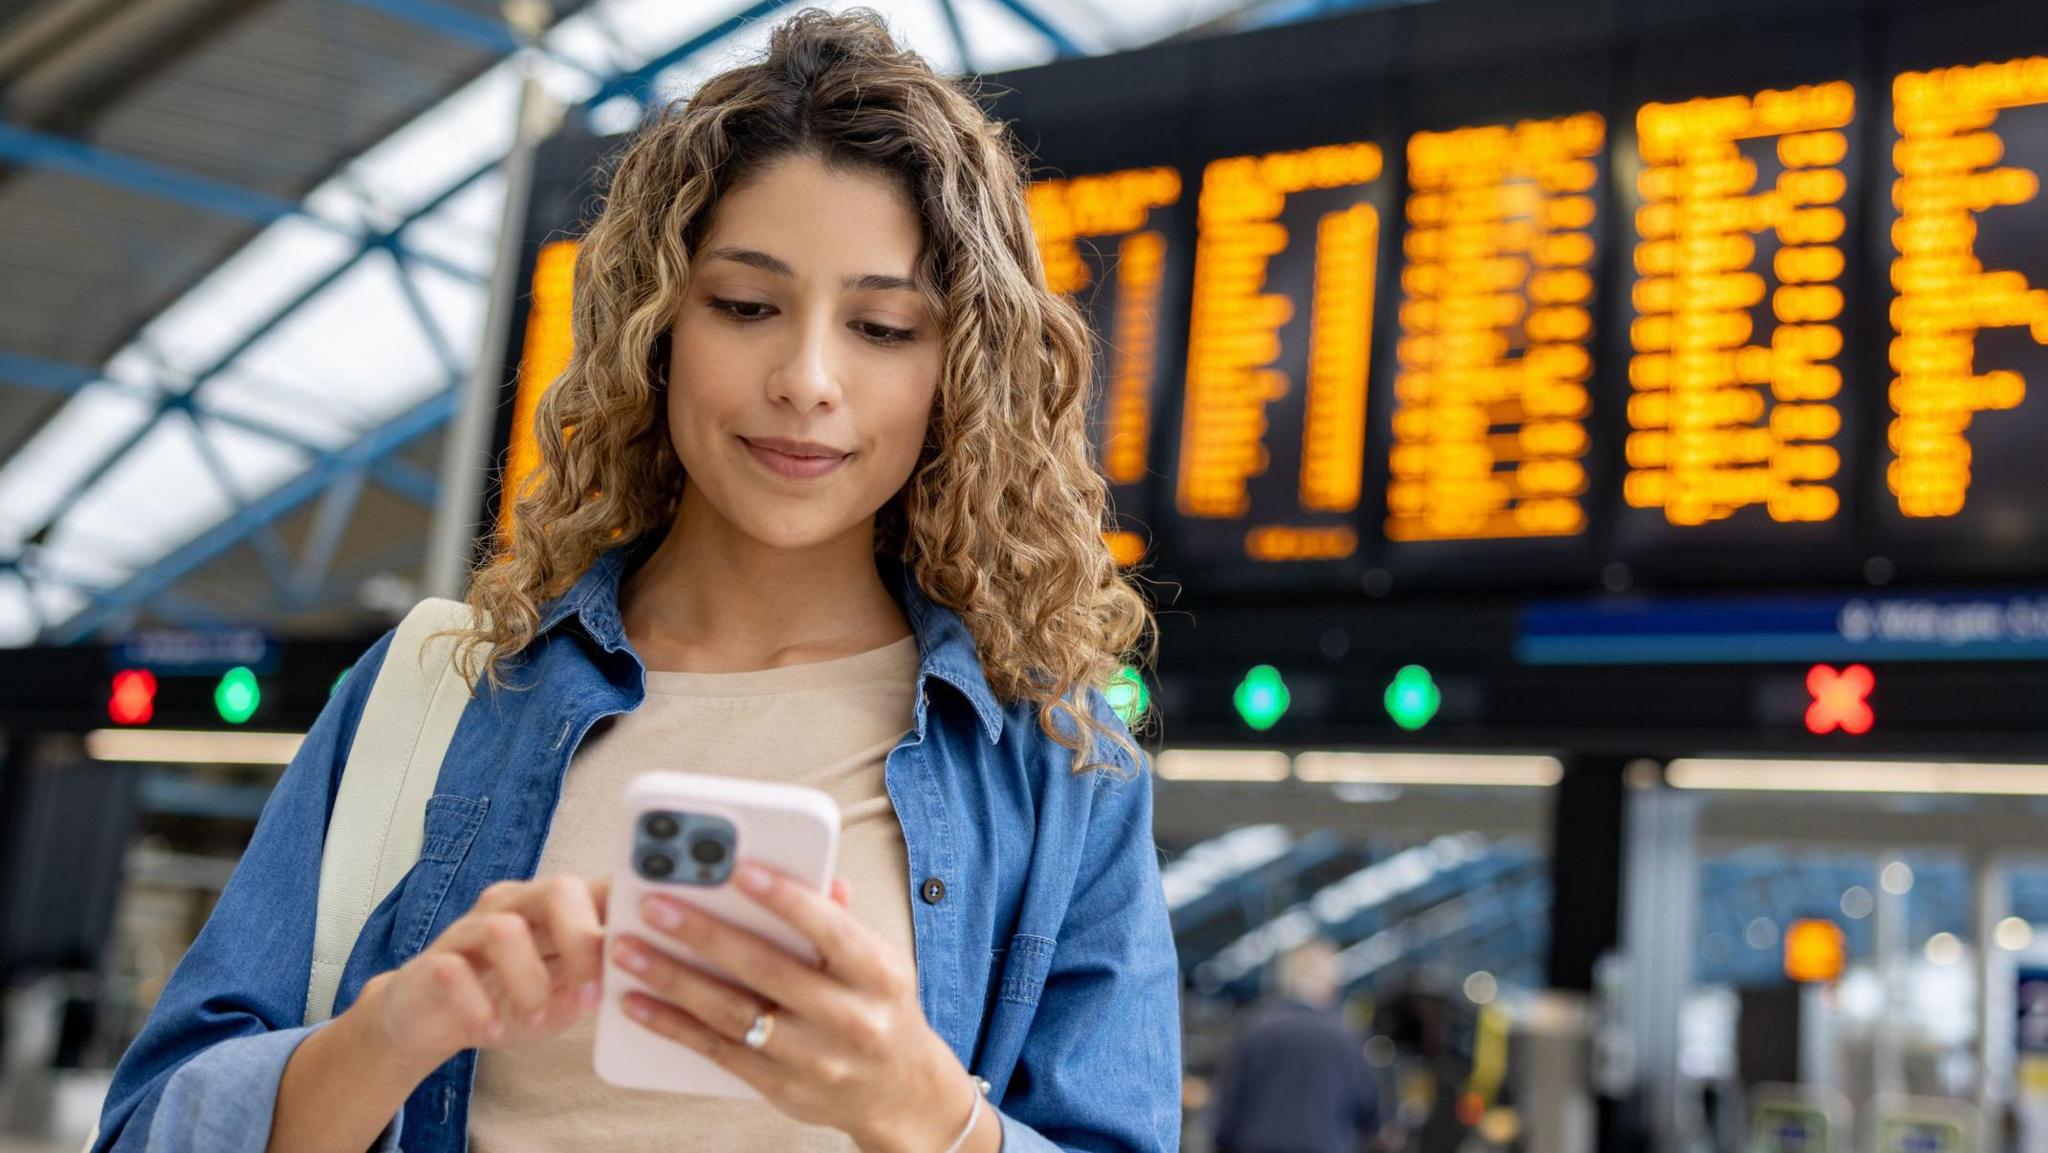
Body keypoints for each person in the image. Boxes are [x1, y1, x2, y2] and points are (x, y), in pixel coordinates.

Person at [90, 9, 1179, 1152]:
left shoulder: (1059, 770)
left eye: (881, 326)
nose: (807, 379)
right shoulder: (437, 692)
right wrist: (394, 1029)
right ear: (657, 330)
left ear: (957, 370)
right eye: (746, 306)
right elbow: (147, 1128)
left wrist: (927, 1115)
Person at [1211, 938, 1379, 1153]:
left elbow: (1228, 1102)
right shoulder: (1346, 1037)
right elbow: (1368, 1110)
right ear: (1331, 985)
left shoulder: (1255, 1029)